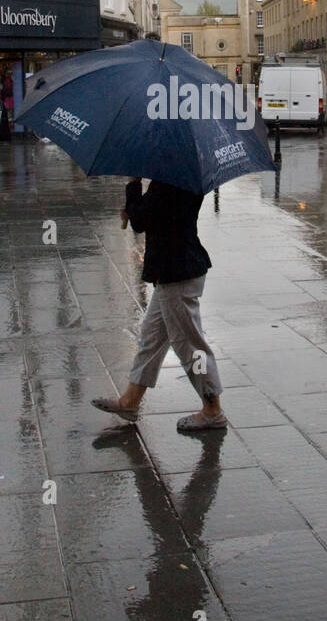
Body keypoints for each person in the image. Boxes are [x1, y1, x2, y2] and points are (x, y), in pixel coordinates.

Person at [91, 178, 226, 432]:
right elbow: (155, 215)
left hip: (177, 273)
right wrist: (135, 208)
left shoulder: (169, 183)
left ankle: (213, 409)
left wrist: (133, 188)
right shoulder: (182, 176)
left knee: (189, 344)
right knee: (151, 338)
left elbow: (143, 221)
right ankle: (130, 401)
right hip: (176, 269)